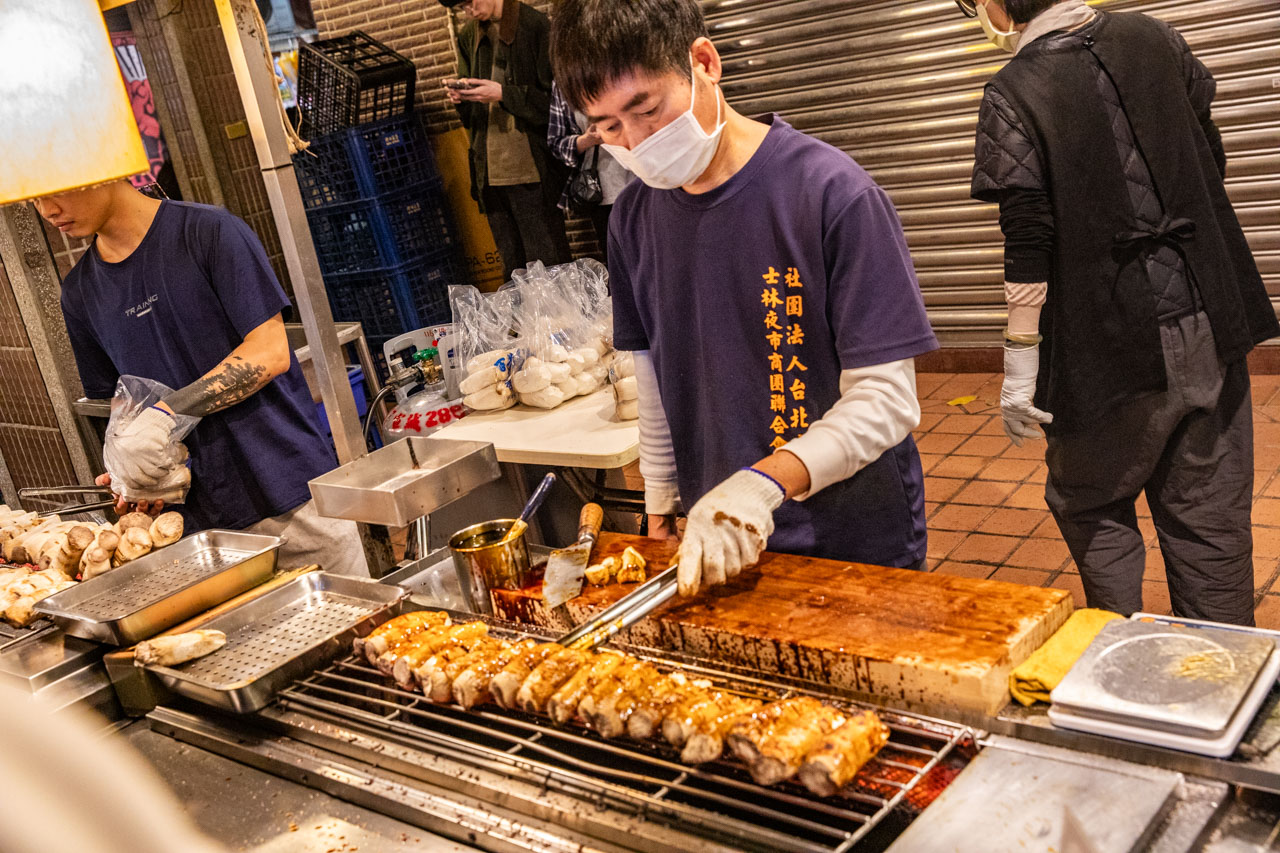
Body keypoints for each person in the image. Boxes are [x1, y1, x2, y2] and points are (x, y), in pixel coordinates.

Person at [551, 0, 939, 597]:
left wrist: (762, 483)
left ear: (704, 62)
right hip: (722, 537)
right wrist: (661, 506)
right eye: (607, 127)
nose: (634, 142)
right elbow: (652, 373)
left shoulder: (832, 193)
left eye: (647, 109)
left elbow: (887, 400)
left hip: (854, 539)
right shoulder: (632, 218)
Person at [963, 0, 1277, 623]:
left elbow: (1028, 241)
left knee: (1092, 502)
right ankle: (1226, 687)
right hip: (1210, 322)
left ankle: (1121, 655)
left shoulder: (1011, 92)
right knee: (1210, 522)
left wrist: (1020, 367)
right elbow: (1208, 160)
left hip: (1103, 347)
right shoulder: (1158, 36)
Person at [37, 181, 368, 575]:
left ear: (102, 171)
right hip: (193, 531)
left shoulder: (208, 231)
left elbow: (270, 351)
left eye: (52, 191)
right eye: (34, 200)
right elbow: (122, 405)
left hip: (291, 496)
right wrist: (133, 468)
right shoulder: (79, 293)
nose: (46, 210)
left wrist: (166, 414)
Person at [440, 0, 572, 282]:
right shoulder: (470, 35)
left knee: (548, 264)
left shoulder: (535, 25)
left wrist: (503, 94)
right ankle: (521, 326)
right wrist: (461, 98)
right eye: (463, 9)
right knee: (512, 270)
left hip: (530, 168)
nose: (470, 13)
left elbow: (556, 104)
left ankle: (562, 326)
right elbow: (470, 117)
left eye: (471, 3)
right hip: (488, 171)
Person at [547, 80, 635, 263]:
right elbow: (556, 142)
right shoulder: (565, 83)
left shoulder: (627, 65)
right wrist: (587, 140)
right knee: (618, 262)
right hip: (601, 189)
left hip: (645, 179)